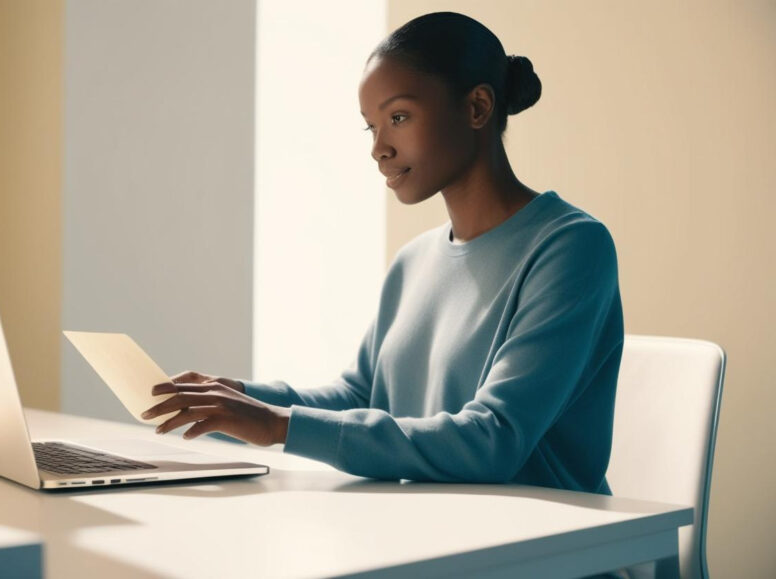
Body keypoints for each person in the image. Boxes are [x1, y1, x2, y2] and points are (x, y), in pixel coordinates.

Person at [141, 12, 624, 498]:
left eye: (398, 118)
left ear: (477, 107)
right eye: (370, 127)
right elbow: (360, 397)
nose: (379, 149)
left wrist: (279, 425)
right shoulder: (413, 262)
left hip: (549, 552)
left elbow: (494, 439)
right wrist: (235, 400)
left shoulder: (570, 246)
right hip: (430, 536)